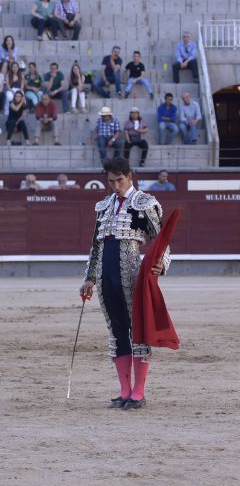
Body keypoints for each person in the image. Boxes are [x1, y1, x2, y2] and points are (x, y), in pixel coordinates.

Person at [79, 156, 170, 410]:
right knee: (116, 330)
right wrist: (89, 278)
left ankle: (138, 392)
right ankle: (124, 391)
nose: (116, 186)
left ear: (130, 176)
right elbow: (96, 246)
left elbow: (161, 239)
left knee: (137, 329)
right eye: (111, 181)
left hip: (132, 274)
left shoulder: (144, 203)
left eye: (120, 180)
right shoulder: (103, 206)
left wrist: (161, 264)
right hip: (104, 275)